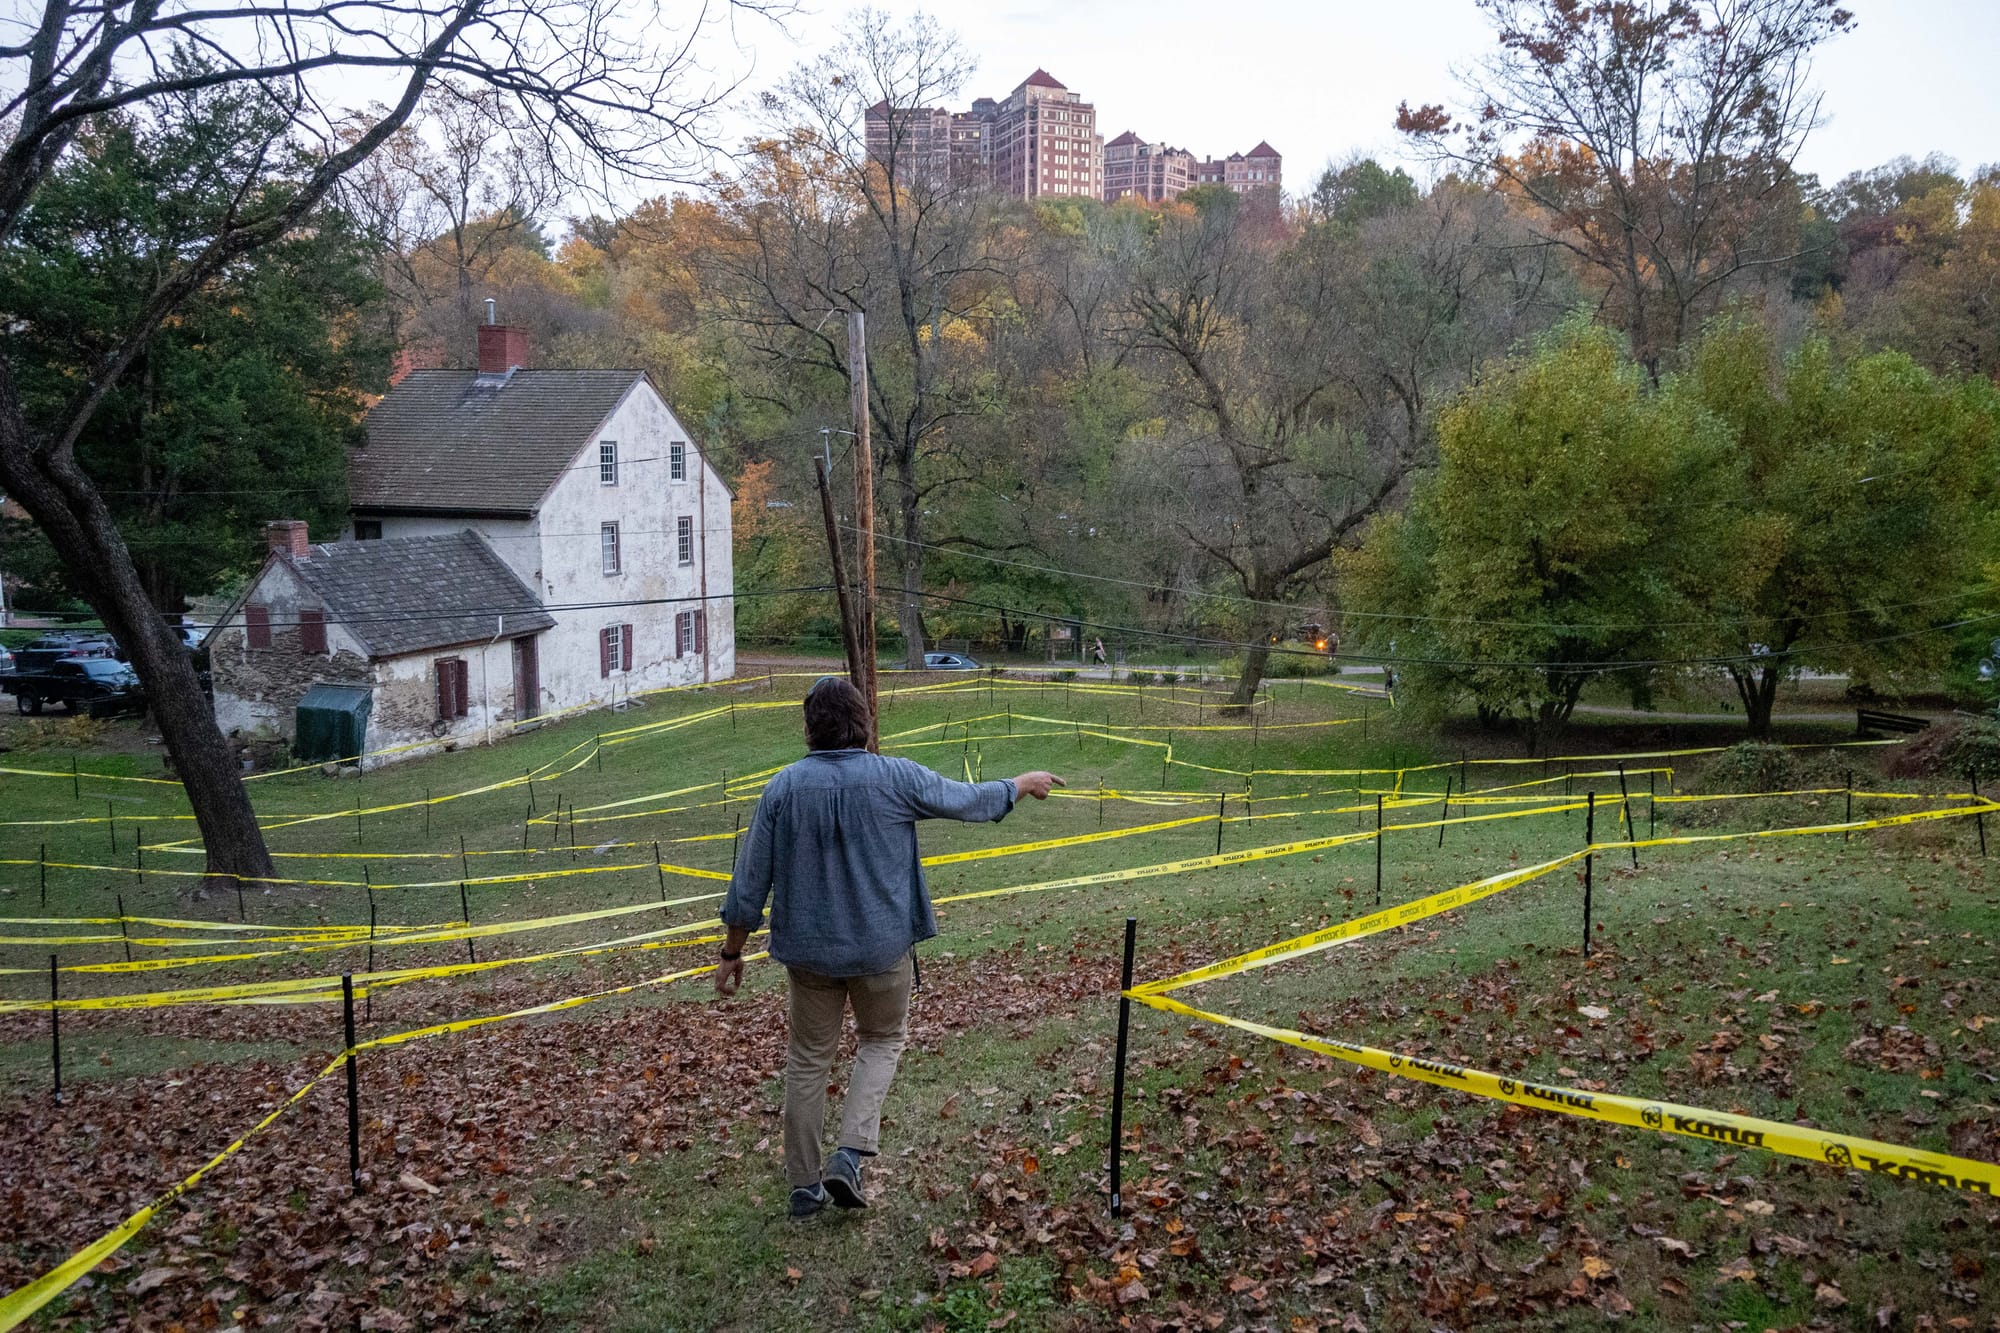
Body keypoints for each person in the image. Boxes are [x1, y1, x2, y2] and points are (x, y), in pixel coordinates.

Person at [714, 677, 1064, 1218]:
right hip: (881, 950)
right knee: (881, 1040)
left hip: (808, 955)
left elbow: (748, 881)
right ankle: (850, 1154)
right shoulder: (894, 778)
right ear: (864, 721)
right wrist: (1022, 782)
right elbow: (969, 800)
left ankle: (805, 1187)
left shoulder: (781, 788)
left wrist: (731, 953)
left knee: (808, 1060)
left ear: (809, 728)